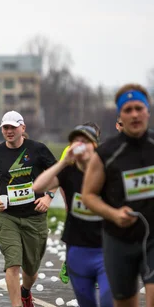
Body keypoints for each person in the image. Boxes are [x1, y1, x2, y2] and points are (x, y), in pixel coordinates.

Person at [81, 84, 154, 307]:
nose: (135, 114)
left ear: (148, 112)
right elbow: (89, 195)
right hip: (119, 241)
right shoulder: (106, 154)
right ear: (120, 117)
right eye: (128, 110)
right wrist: (114, 214)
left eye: (139, 108)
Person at [33, 125, 114, 307]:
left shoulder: (109, 170)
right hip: (78, 251)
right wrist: (63, 162)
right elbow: (37, 186)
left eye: (85, 141)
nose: (80, 145)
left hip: (107, 250)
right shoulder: (68, 172)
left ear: (94, 145)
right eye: (75, 141)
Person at [0, 110, 57, 307]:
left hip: (35, 217)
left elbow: (57, 176)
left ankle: (26, 292)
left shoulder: (38, 150)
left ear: (22, 128)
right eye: (5, 128)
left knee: (31, 269)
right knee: (12, 263)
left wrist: (48, 196)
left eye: (12, 127)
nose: (8, 131)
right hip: (8, 216)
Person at [56, 122, 101, 285]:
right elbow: (61, 178)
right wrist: (67, 200)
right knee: (74, 232)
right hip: (75, 198)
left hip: (94, 201)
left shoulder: (101, 154)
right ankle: (68, 264)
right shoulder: (69, 152)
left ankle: (97, 272)